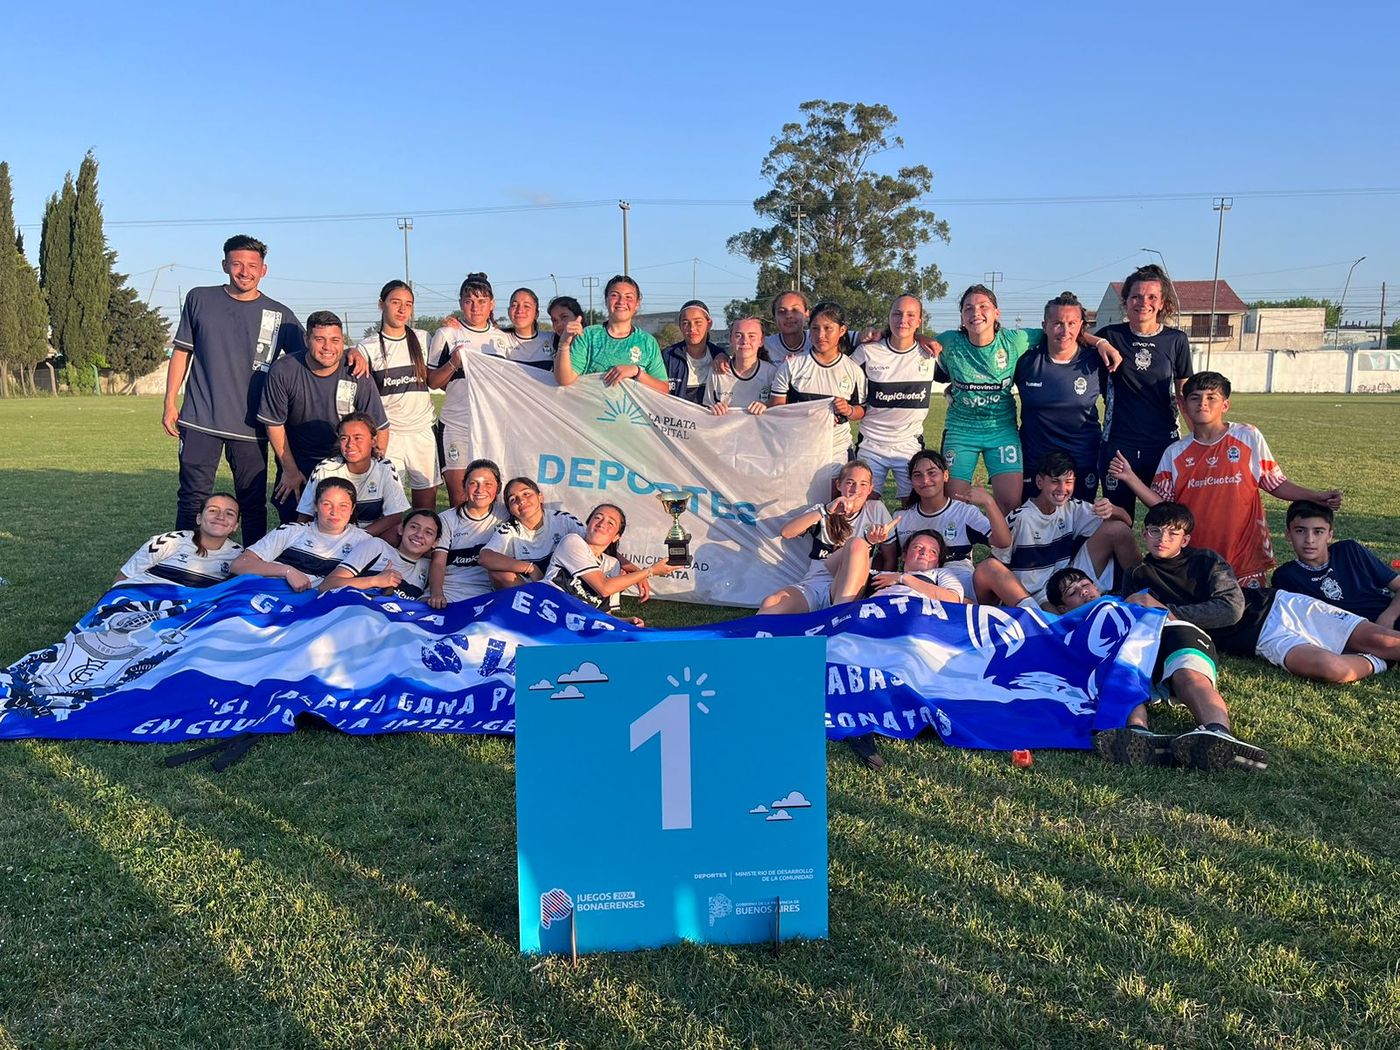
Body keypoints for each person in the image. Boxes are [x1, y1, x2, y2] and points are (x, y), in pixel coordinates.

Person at [1108, 371, 1343, 587]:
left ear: (1226, 405)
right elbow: (1164, 507)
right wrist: (1130, 477)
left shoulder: (1247, 436)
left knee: (1250, 615)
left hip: (1246, 552)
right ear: (1184, 406)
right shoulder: (1175, 452)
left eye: (1212, 397)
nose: (1203, 403)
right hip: (1197, 554)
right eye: (1195, 398)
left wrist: (1316, 496)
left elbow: (1275, 483)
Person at [1126, 501, 1400, 684]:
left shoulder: (1206, 560)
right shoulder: (1137, 576)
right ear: (1144, 534)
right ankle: (1382, 663)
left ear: (1185, 539)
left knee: (1388, 642)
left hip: (1277, 607)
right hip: (1257, 641)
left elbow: (1230, 610)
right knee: (1335, 670)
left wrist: (1168, 612)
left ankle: (1383, 653)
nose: (1162, 539)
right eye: (1155, 531)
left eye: (1173, 533)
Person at [1044, 567, 1268, 772]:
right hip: (1123, 651)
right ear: (1063, 608)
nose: (1084, 592)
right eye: (1073, 592)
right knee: (1120, 681)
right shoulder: (1073, 630)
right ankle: (1139, 734)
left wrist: (1143, 603)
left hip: (1168, 633)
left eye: (1085, 585)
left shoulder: (1127, 599)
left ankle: (1219, 733)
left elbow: (1169, 617)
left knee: (1188, 676)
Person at [163, 234, 305, 544]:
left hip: (252, 428)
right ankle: (185, 560)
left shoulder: (279, 315)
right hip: (201, 420)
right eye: (237, 264)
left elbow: (312, 356)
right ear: (225, 265)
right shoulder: (200, 298)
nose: (245, 271)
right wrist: (170, 403)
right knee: (192, 497)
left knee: (252, 503)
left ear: (263, 270)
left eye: (252, 265)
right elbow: (182, 353)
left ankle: (251, 563)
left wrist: (351, 354)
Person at [933, 284, 1119, 514]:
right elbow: (914, 339)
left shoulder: (1016, 341)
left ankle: (1013, 549)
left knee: (1012, 506)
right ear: (961, 316)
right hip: (962, 431)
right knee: (955, 503)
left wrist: (1100, 342)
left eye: (983, 306)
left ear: (997, 312)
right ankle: (964, 551)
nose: (976, 313)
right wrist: (881, 335)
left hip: (1001, 431)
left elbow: (1064, 331)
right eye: (968, 308)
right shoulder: (948, 341)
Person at [257, 311, 388, 526]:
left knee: (350, 527)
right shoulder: (284, 370)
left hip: (346, 461)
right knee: (296, 526)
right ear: (306, 340)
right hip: (299, 461)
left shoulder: (356, 370)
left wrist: (371, 469)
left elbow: (379, 427)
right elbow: (274, 423)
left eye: (335, 340)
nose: (328, 347)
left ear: (343, 341)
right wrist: (290, 471)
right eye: (320, 339)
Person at [974, 451, 1140, 607]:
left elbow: (1126, 522)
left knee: (1117, 529)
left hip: (1067, 579)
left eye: (1068, 482)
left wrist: (1113, 510)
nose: (1062, 489)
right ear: (1040, 482)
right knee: (1052, 619)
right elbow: (997, 563)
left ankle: (1143, 588)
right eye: (1055, 482)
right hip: (1032, 593)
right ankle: (1043, 618)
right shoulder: (1021, 518)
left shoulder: (1072, 507)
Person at [1096, 264, 1194, 517]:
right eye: (1136, 296)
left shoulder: (1176, 340)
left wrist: (1198, 440)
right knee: (1117, 518)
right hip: (1119, 443)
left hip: (1163, 443)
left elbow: (1184, 396)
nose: (1143, 302)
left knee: (1167, 516)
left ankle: (1163, 559)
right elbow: (1077, 335)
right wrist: (1100, 341)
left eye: (1152, 297)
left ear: (1162, 303)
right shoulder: (1111, 335)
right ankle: (1121, 559)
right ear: (1126, 301)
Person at [759, 460, 897, 614]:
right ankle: (751, 637)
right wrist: (826, 510)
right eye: (850, 483)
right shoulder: (823, 510)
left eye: (863, 484)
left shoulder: (876, 509)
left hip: (849, 587)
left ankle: (836, 617)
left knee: (856, 544)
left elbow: (890, 558)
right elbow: (787, 532)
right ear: (839, 485)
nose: (856, 489)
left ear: (870, 489)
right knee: (771, 603)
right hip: (815, 584)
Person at [428, 273, 518, 507]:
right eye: (469, 301)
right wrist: (453, 364)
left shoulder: (504, 339)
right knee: (460, 498)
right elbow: (432, 381)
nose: (475, 307)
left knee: (493, 496)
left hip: (494, 428)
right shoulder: (447, 334)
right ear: (460, 304)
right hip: (457, 425)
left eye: (481, 301)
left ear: (492, 304)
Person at [353, 280, 439, 509]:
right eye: (395, 302)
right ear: (381, 305)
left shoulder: (424, 339)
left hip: (422, 432)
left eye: (408, 304)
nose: (402, 310)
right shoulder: (367, 347)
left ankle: (423, 545)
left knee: (426, 506)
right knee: (390, 505)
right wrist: (349, 350)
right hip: (389, 435)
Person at [1015, 292, 1107, 503]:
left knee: (1079, 525)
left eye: (1072, 323)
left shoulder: (1095, 361)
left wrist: (1101, 342)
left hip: (1082, 460)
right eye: (1057, 323)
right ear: (1044, 326)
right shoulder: (1026, 361)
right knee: (1033, 524)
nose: (1065, 331)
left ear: (1081, 325)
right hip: (1035, 461)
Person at [851, 294, 938, 499]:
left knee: (915, 507)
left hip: (909, 445)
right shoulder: (868, 351)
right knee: (862, 505)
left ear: (919, 321)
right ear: (889, 317)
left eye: (910, 315)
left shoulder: (931, 352)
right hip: (871, 443)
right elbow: (841, 378)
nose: (902, 320)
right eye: (897, 313)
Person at [768, 300, 868, 476]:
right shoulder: (792, 365)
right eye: (815, 328)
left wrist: (849, 409)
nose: (821, 335)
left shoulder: (853, 370)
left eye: (828, 328)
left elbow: (860, 411)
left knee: (833, 498)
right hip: (796, 449)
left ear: (842, 331)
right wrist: (810, 417)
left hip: (835, 450)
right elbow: (776, 408)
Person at [892, 449, 1011, 593]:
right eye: (918, 475)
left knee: (992, 567)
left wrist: (989, 502)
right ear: (911, 481)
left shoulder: (964, 512)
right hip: (916, 589)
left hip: (961, 585)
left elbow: (1003, 542)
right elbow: (889, 560)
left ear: (946, 475)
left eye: (932, 473)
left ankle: (1030, 610)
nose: (925, 480)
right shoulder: (901, 518)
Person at [231, 477, 377, 591]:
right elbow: (238, 564)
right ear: (315, 506)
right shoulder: (292, 531)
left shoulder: (364, 542)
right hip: (272, 596)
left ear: (352, 509)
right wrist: (286, 571)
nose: (334, 512)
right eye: (327, 504)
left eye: (343, 506)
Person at [543, 503, 678, 625]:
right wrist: (650, 571)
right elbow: (604, 587)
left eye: (611, 523)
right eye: (598, 517)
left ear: (616, 537)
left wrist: (625, 622)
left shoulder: (612, 564)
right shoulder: (572, 542)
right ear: (588, 524)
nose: (602, 523)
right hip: (545, 615)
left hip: (573, 625)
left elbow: (603, 616)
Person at [1274, 501, 1400, 628]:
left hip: (1388, 620)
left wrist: (1389, 616)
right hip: (1352, 638)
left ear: (1329, 535)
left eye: (1318, 532)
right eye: (1300, 531)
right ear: (1288, 534)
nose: (1309, 540)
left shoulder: (1349, 551)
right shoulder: (1286, 576)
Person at [294, 413, 408, 539]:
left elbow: (395, 515)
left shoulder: (384, 468)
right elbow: (305, 514)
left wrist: (359, 537)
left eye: (358, 438)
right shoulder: (325, 469)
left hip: (369, 538)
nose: (350, 444)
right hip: (331, 537)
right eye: (344, 438)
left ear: (373, 441)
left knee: (394, 531)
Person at [553, 275, 669, 392]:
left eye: (628, 297)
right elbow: (564, 380)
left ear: (637, 304)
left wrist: (637, 372)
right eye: (614, 295)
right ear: (606, 300)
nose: (621, 301)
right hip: (593, 409)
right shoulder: (589, 335)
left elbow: (664, 390)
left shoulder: (647, 342)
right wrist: (564, 344)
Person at [114, 493, 244, 587]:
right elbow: (123, 579)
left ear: (235, 526)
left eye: (229, 513)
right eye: (213, 510)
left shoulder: (239, 557)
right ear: (199, 518)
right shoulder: (167, 542)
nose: (220, 516)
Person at [428, 459, 507, 607]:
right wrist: (437, 594)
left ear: (498, 488)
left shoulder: (506, 513)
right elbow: (438, 562)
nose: (479, 490)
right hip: (451, 589)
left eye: (488, 484)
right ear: (464, 486)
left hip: (487, 593)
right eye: (473, 483)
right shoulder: (447, 519)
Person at [319, 508, 443, 600]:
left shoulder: (429, 569)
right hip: (352, 615)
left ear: (435, 542)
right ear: (401, 529)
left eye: (428, 533)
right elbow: (327, 585)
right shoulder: (377, 547)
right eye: (414, 527)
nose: (419, 535)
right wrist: (375, 581)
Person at [868, 530, 966, 603]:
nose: (924, 553)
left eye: (933, 551)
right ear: (904, 556)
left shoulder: (941, 574)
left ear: (937, 563)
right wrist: (869, 541)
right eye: (918, 547)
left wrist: (903, 578)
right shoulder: (883, 575)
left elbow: (953, 600)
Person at [705, 317, 777, 415]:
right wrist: (714, 409)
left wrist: (767, 406)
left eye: (751, 336)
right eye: (738, 336)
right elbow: (706, 410)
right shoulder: (717, 372)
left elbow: (779, 412)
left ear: (761, 341)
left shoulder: (772, 373)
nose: (745, 341)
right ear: (730, 339)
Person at [662, 299, 727, 403]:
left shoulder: (720, 357)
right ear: (680, 326)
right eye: (686, 323)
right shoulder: (668, 357)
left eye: (698, 322)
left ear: (709, 324)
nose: (692, 328)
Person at [499, 287, 555, 369]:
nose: (520, 310)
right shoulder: (498, 337)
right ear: (508, 311)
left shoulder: (552, 339)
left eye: (526, 306)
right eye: (514, 305)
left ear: (536, 314)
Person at [765, 290, 812, 360]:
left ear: (807, 313)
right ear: (774, 317)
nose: (788, 316)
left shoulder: (816, 340)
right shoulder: (765, 346)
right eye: (782, 311)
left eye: (795, 310)